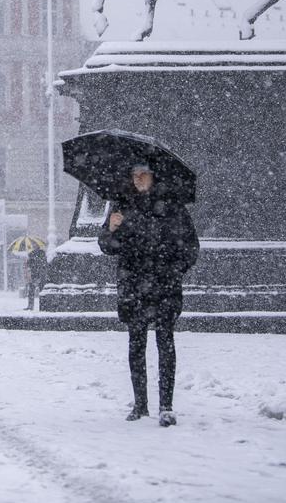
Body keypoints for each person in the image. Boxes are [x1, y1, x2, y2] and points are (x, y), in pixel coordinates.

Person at [98, 162, 200, 428]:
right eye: (133, 175)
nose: (137, 179)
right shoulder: (121, 205)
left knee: (165, 343)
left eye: (142, 174)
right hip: (133, 284)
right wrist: (111, 229)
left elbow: (190, 247)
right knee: (136, 344)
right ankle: (140, 404)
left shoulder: (172, 207)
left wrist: (173, 269)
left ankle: (166, 406)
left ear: (154, 176)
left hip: (163, 285)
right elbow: (107, 246)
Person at [25, 247, 49, 312]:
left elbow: (28, 265)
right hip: (42, 275)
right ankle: (43, 306)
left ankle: (30, 306)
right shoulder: (43, 255)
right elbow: (46, 265)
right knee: (41, 292)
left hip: (34, 275)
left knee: (31, 292)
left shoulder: (31, 255)